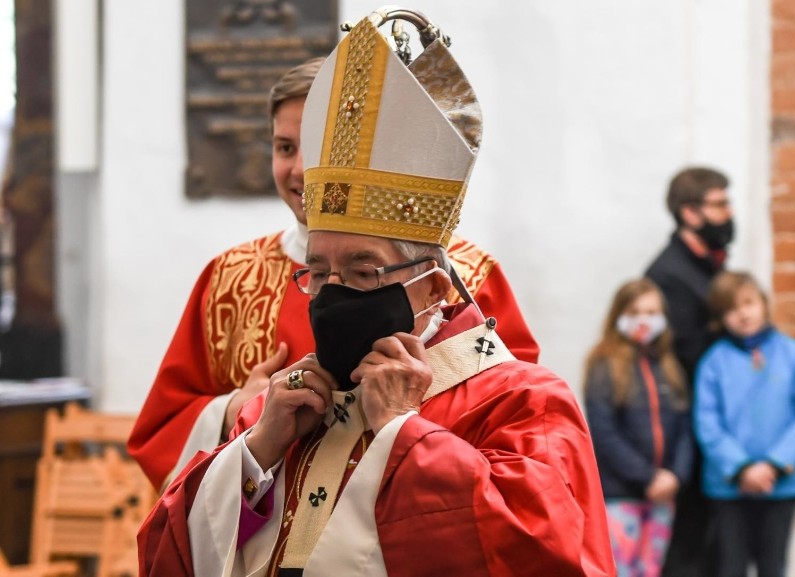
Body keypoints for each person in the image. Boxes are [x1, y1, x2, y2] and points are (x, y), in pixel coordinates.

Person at [137, 10, 615, 576]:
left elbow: (539, 554)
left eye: (364, 272)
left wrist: (402, 433)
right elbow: (167, 552)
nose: (333, 295)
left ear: (437, 283)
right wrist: (256, 450)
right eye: (317, 272)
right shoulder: (285, 409)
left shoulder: (520, 404)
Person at [128, 57, 540, 491]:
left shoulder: (464, 276)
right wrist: (236, 412)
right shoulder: (230, 277)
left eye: (320, 148)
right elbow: (160, 432)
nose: (302, 170)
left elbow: (510, 428)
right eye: (285, 147)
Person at [694, 271, 795, 577]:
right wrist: (742, 468)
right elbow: (707, 421)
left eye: (748, 303)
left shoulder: (794, 355)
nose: (742, 314)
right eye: (731, 308)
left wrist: (774, 465)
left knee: (772, 566)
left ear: (763, 303)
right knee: (731, 566)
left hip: (781, 485)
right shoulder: (714, 362)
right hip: (729, 487)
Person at [644, 165, 734, 577]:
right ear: (689, 213)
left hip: (714, 422)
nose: (728, 213)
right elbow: (686, 359)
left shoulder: (710, 266)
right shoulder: (668, 274)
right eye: (719, 204)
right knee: (689, 547)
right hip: (689, 429)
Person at [584, 278, 692, 577]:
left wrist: (675, 476)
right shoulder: (604, 365)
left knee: (651, 570)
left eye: (652, 312)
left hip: (663, 495)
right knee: (619, 569)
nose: (644, 320)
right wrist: (647, 477)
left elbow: (685, 426)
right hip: (621, 495)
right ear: (620, 315)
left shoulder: (669, 366)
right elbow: (604, 433)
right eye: (635, 312)